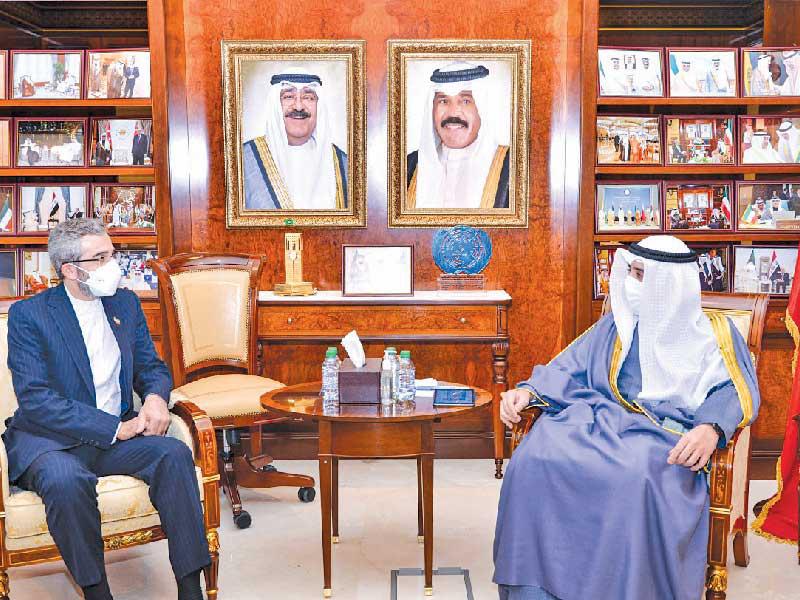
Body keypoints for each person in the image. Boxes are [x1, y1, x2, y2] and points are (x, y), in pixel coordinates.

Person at [493, 235, 759, 600]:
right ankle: (535, 590)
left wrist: (711, 428)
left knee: (633, 478)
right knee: (533, 459)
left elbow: (737, 389)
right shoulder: (618, 325)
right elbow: (568, 366)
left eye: (640, 275)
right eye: (630, 272)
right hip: (601, 419)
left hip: (666, 434)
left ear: (668, 283)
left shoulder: (715, 335)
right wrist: (527, 392)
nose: (630, 284)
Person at [3, 219, 210, 600]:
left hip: (116, 437)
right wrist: (115, 429)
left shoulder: (124, 303)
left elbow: (150, 367)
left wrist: (155, 398)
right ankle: (97, 592)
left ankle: (190, 588)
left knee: (174, 454)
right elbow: (36, 399)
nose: (113, 265)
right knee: (66, 482)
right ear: (70, 270)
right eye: (100, 258)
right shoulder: (29, 316)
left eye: (112, 254)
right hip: (52, 441)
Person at [407, 61, 509, 209]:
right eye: (443, 101)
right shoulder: (409, 166)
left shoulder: (512, 167)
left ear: (482, 109)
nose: (453, 113)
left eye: (465, 101)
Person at [242, 68, 348, 211]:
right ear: (275, 105)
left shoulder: (344, 165)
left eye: (308, 98)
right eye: (288, 97)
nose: (298, 106)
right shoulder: (244, 161)